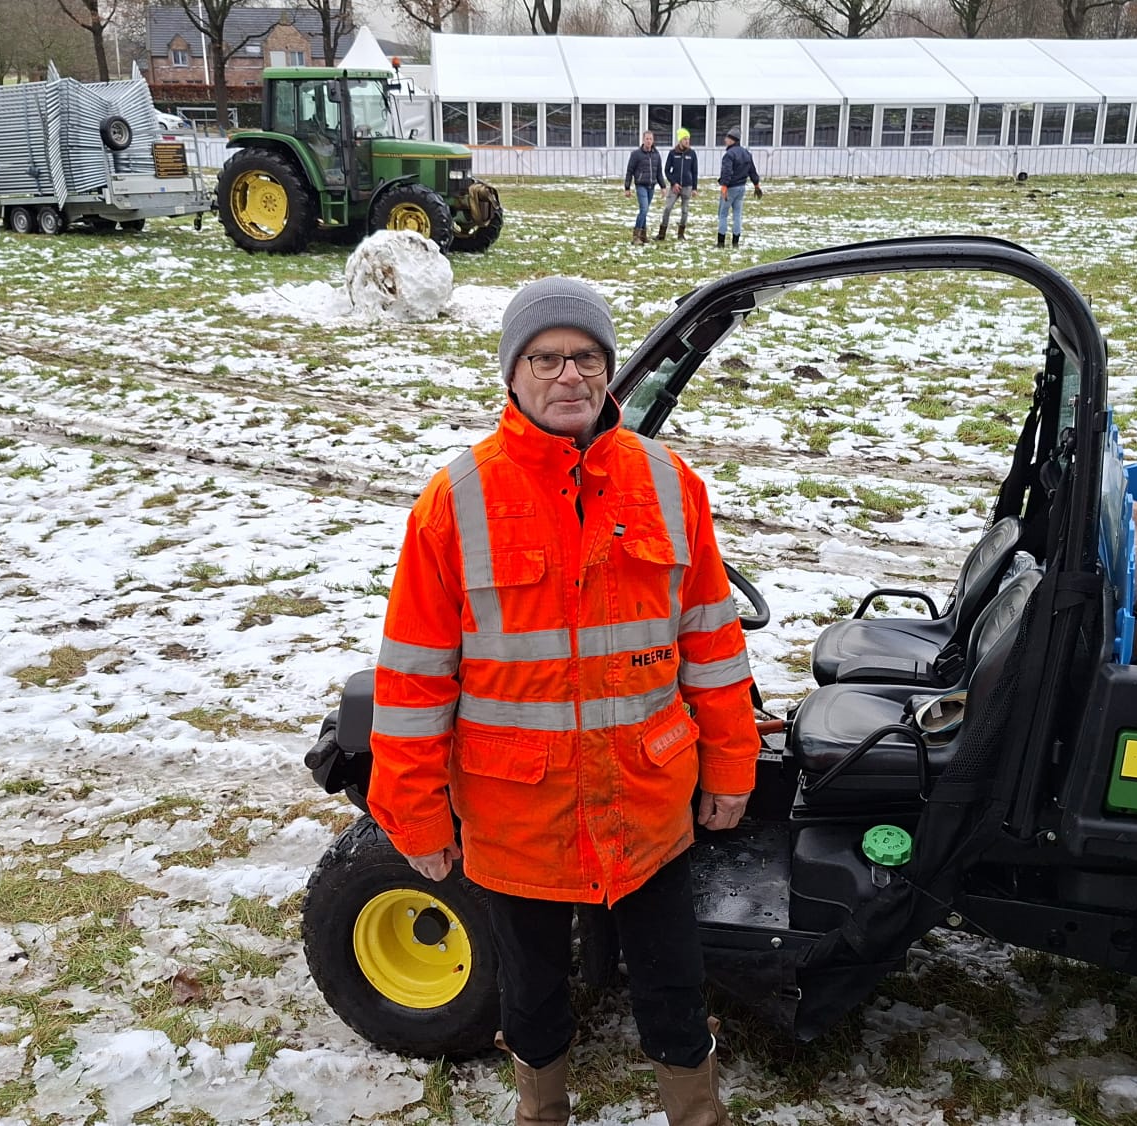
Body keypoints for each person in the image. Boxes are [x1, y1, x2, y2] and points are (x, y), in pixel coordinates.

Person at [369, 277, 760, 1126]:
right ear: (513, 376)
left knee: (673, 984)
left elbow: (713, 642)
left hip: (648, 803)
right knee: (533, 990)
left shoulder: (668, 482)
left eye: (585, 357)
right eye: (544, 359)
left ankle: (697, 1113)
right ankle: (539, 1112)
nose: (567, 376)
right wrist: (416, 813)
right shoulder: (458, 498)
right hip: (519, 811)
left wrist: (731, 763)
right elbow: (412, 677)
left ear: (609, 372)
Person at [715, 130, 762, 249]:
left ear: (732, 140)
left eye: (727, 138)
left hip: (730, 188)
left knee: (723, 214)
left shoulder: (729, 155)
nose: (725, 140)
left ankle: (721, 243)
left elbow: (727, 172)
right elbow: (752, 170)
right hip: (742, 188)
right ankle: (735, 243)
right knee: (737, 215)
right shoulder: (746, 153)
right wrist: (756, 185)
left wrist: (724, 186)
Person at [658, 128, 698, 242]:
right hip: (674, 187)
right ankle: (662, 234)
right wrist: (673, 183)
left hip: (687, 186)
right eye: (685, 139)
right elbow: (666, 170)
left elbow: (695, 171)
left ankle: (681, 234)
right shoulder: (672, 153)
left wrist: (694, 188)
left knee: (685, 211)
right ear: (680, 140)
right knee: (667, 208)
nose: (687, 141)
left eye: (688, 139)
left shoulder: (692, 154)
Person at [624, 130, 664, 245]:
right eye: (647, 139)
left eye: (650, 139)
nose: (648, 141)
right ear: (643, 140)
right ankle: (636, 236)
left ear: (653, 140)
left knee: (644, 211)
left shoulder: (656, 154)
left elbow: (659, 172)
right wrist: (627, 187)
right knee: (644, 209)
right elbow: (629, 171)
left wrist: (663, 186)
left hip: (652, 185)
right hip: (641, 185)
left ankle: (643, 235)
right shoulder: (636, 154)